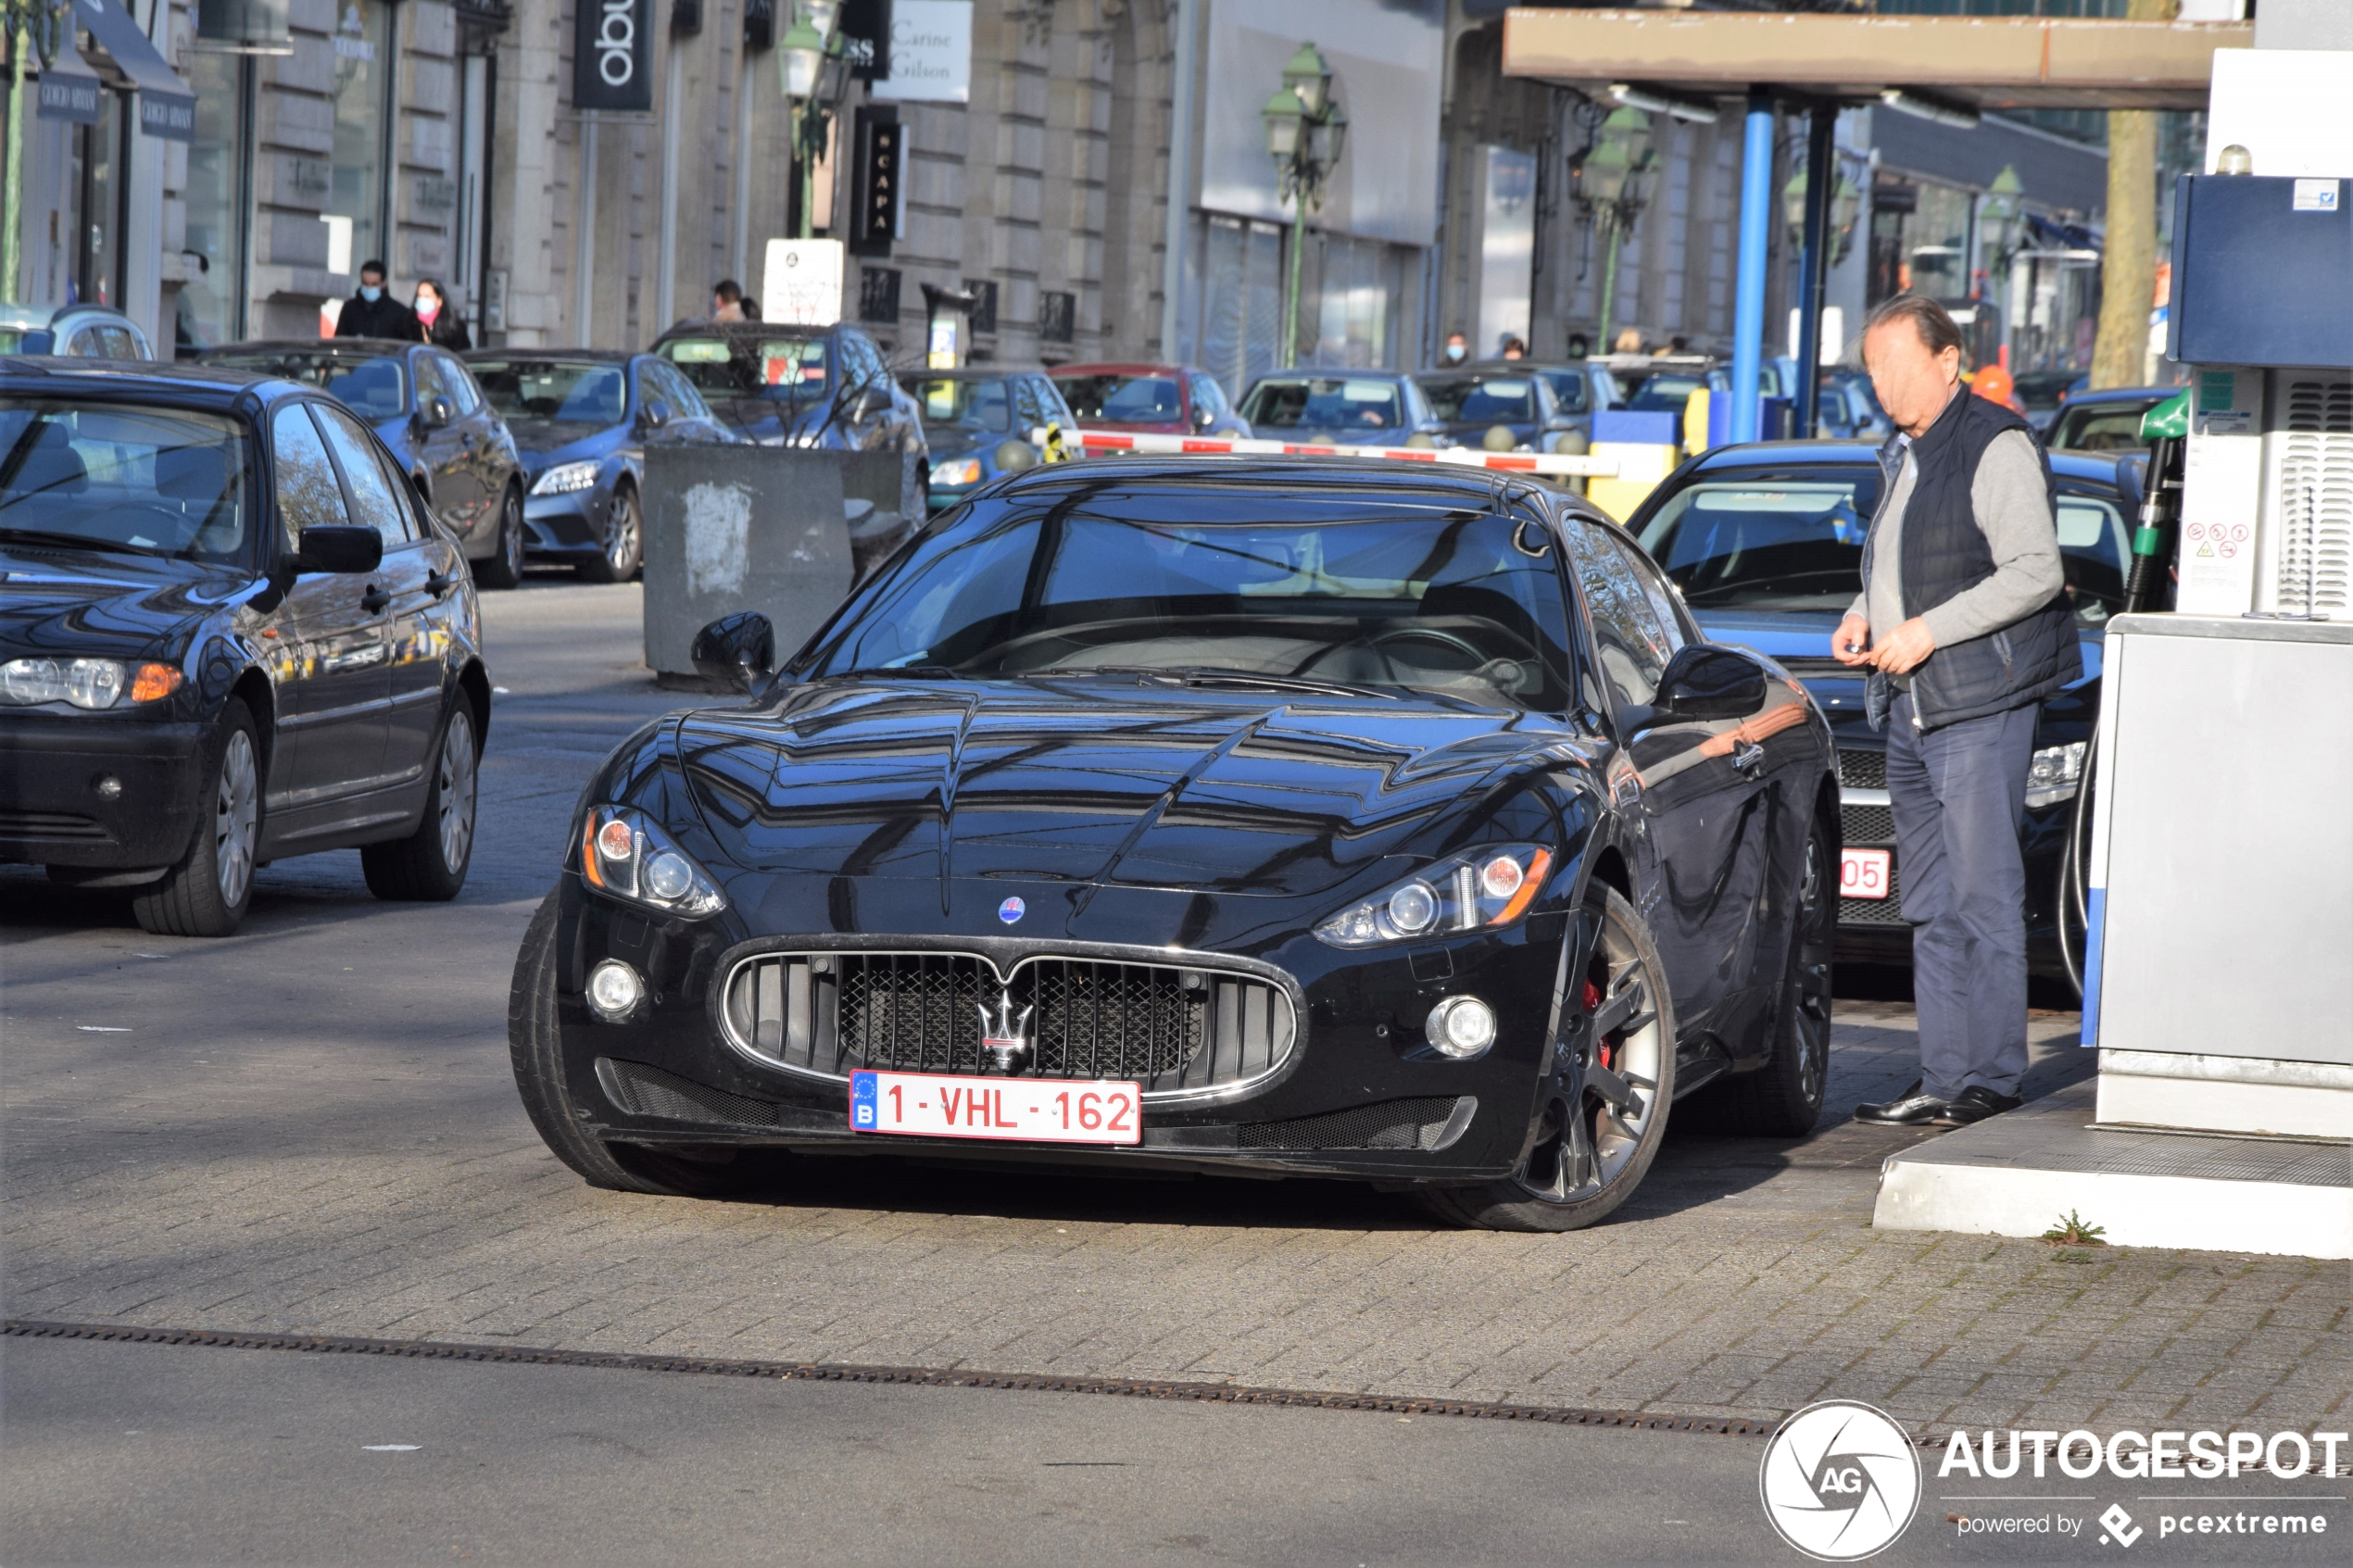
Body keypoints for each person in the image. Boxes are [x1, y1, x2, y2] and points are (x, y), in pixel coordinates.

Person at [1837, 295, 2077, 1129]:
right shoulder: (1903, 451)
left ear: (1949, 360)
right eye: (1872, 368)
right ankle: (1941, 1074)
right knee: (1930, 902)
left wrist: (1927, 631)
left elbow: (2034, 572)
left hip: (1978, 701)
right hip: (1908, 705)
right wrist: (1863, 609)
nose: (1883, 383)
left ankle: (1994, 1077)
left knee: (1982, 895)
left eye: (1897, 364)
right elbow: (1900, 556)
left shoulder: (1996, 441)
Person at [333, 261, 422, 341]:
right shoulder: (350, 308)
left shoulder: (399, 313)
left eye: (374, 284)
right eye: (365, 283)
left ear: (384, 283)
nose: (369, 288)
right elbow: (340, 340)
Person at [410, 279, 472, 352]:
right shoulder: (410, 324)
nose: (422, 300)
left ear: (439, 301)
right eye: (419, 296)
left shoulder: (454, 328)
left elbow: (463, 353)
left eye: (427, 297)